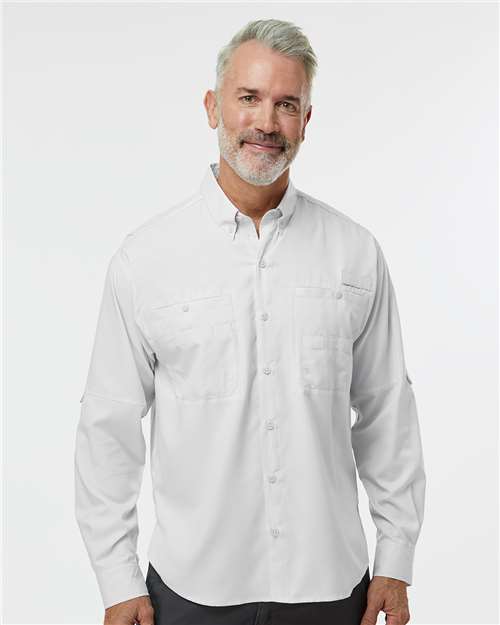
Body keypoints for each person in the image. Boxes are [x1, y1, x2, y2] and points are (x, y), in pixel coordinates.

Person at [75, 18, 426, 625]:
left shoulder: (354, 254)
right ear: (213, 107)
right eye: (249, 97)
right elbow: (108, 426)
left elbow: (387, 411)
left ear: (306, 121)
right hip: (190, 591)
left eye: (286, 104)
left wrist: (395, 559)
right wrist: (116, 580)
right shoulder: (146, 260)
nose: (266, 122)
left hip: (331, 588)